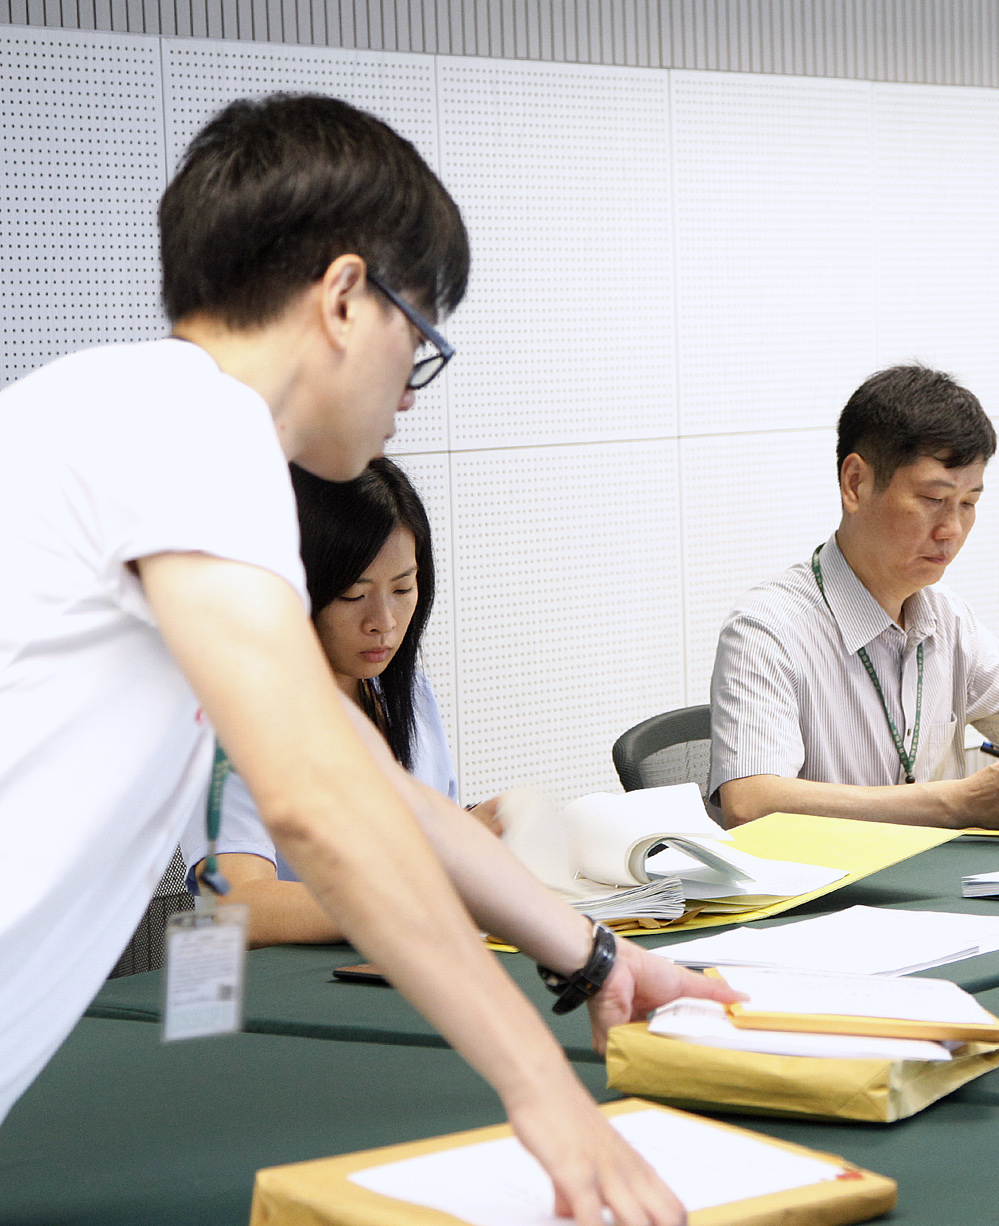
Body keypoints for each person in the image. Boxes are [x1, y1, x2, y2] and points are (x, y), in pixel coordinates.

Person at [0, 93, 734, 1225]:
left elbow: (373, 782)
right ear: (345, 297)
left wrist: (595, 956)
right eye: (420, 339)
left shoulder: (134, 424)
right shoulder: (189, 427)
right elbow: (315, 806)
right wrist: (541, 1091)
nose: (409, 393)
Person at [711, 365, 999, 828]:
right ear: (855, 483)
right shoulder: (768, 629)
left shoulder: (944, 617)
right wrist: (955, 803)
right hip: (821, 875)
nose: (951, 529)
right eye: (933, 499)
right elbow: (751, 802)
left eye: (968, 504)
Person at [196, 459, 501, 946]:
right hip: (299, 978)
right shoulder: (238, 719)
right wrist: (411, 895)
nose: (384, 621)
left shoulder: (408, 695)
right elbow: (234, 904)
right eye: (354, 595)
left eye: (403, 588)